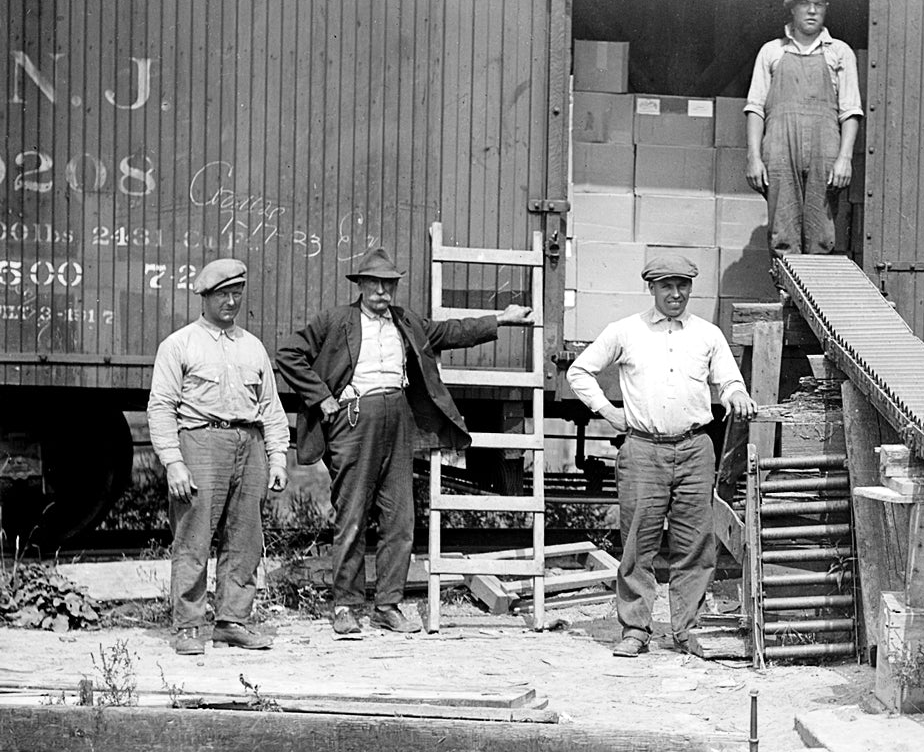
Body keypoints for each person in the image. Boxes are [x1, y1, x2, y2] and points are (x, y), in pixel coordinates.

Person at [276, 246, 532, 638]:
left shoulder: (405, 321)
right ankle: (346, 606)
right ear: (361, 285)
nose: (382, 291)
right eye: (375, 284)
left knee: (399, 518)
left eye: (389, 284)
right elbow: (289, 354)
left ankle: (388, 606)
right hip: (354, 420)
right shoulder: (336, 320)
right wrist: (322, 397)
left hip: (398, 420)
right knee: (352, 515)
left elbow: (450, 332)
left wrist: (501, 318)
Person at [566, 254, 754, 658]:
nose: (675, 293)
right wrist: (607, 410)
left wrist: (736, 392)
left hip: (695, 448)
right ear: (651, 288)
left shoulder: (708, 335)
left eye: (683, 285)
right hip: (643, 450)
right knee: (638, 543)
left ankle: (687, 630)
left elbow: (728, 379)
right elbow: (578, 372)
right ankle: (635, 629)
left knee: (696, 544)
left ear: (691, 288)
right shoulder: (626, 331)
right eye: (667, 285)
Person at [146, 258, 291, 655]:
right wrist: (173, 461)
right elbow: (161, 407)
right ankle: (188, 626)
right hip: (201, 443)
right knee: (193, 538)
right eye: (223, 294)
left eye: (237, 294)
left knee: (245, 539)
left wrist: (278, 457)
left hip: (250, 444)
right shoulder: (179, 345)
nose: (231, 301)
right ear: (205, 297)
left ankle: (232, 622)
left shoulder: (252, 346)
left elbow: (271, 407)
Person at [744, 0, 863, 255]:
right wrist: (753, 157)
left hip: (825, 151)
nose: (812, 11)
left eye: (819, 4)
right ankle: (785, 283)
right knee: (782, 231)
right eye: (805, 4)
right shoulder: (772, 51)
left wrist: (845, 159)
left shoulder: (840, 52)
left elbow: (851, 111)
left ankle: (814, 283)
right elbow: (755, 107)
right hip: (780, 149)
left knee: (821, 231)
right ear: (792, 9)